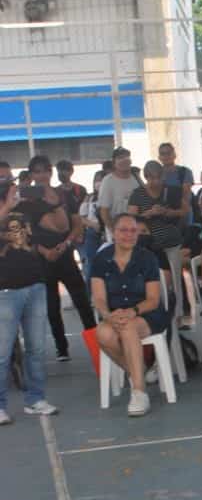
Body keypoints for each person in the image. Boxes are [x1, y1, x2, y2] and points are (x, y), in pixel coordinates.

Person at [18, 155, 96, 361]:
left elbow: (77, 223)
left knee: (83, 302)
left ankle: (97, 342)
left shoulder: (64, 194)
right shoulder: (25, 200)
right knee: (52, 306)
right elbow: (23, 233)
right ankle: (62, 348)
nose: (42, 175)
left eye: (45, 170)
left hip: (66, 255)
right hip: (42, 258)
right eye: (37, 171)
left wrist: (67, 243)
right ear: (31, 174)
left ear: (51, 172)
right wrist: (43, 250)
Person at [91, 213, 169, 417]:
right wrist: (108, 315)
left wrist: (131, 312)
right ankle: (139, 371)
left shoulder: (147, 258)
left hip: (146, 313)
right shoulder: (101, 259)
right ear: (113, 233)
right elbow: (98, 298)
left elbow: (153, 299)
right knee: (103, 334)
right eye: (123, 230)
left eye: (133, 230)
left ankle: (139, 392)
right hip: (114, 314)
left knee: (128, 326)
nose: (129, 234)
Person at [0, 191, 59, 424]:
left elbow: (51, 230)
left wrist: (56, 204)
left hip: (35, 285)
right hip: (5, 291)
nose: (17, 195)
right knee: (2, 354)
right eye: (12, 191)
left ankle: (36, 399)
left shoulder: (27, 211)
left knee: (36, 349)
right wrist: (6, 208)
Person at [127, 160, 188, 320]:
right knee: (155, 280)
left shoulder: (171, 191)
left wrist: (167, 212)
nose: (155, 182)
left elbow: (183, 211)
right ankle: (160, 311)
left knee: (176, 278)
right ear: (146, 177)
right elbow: (131, 217)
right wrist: (149, 214)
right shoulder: (138, 193)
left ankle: (179, 313)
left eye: (158, 178)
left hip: (172, 242)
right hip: (151, 245)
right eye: (151, 178)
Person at [98, 147, 141, 234]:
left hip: (135, 228)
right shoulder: (108, 181)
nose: (124, 160)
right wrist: (113, 231)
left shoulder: (136, 178)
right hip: (117, 229)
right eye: (120, 158)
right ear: (114, 163)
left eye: (126, 157)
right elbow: (104, 211)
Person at [78, 170, 106, 290]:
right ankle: (89, 296)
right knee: (91, 266)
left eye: (102, 180)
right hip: (92, 233)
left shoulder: (109, 196)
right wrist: (93, 225)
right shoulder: (89, 197)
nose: (99, 183)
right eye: (97, 180)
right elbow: (81, 217)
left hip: (107, 233)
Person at [157, 142, 194, 223]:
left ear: (174, 155)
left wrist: (175, 213)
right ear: (159, 157)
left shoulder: (185, 172)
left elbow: (186, 197)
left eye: (168, 153)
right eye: (163, 153)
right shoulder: (156, 174)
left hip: (183, 217)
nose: (166, 156)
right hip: (163, 218)